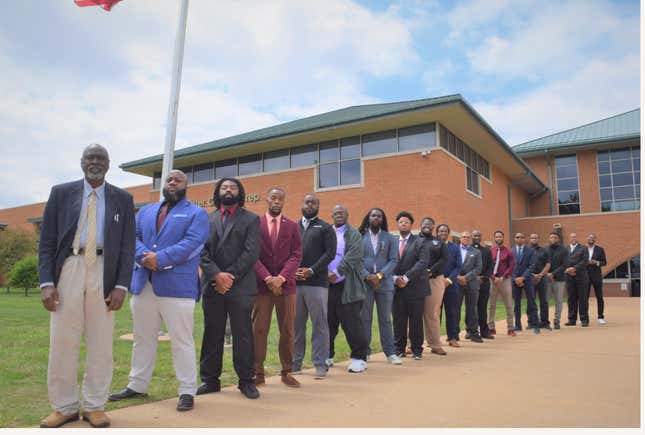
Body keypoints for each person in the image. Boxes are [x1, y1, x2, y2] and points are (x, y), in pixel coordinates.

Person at [38, 144, 135, 428]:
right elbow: (45, 242)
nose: (95, 162)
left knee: (101, 343)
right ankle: (64, 406)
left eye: (101, 158)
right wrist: (46, 282)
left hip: (104, 273)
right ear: (82, 162)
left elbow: (128, 247)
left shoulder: (123, 199)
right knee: (62, 341)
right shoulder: (61, 193)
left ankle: (94, 406)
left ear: (108, 163)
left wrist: (121, 285)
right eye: (90, 157)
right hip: (69, 267)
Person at [109, 170, 209, 411]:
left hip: (177, 287)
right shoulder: (145, 211)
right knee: (142, 339)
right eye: (169, 180)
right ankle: (138, 385)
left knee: (181, 341)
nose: (173, 182)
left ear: (186, 186)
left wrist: (160, 258)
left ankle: (187, 390)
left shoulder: (197, 213)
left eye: (178, 180)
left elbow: (192, 243)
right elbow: (132, 237)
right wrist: (145, 257)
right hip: (144, 284)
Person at [198, 178, 261, 399]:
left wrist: (229, 276)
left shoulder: (251, 219)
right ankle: (210, 380)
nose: (228, 190)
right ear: (218, 192)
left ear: (239, 192)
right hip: (213, 285)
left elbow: (251, 252)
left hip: (241, 286)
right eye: (224, 187)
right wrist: (216, 275)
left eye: (233, 187)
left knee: (243, 334)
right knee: (212, 333)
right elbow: (201, 251)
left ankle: (246, 381)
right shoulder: (206, 219)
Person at [252, 187, 302, 388]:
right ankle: (258, 372)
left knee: (288, 330)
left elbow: (297, 254)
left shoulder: (291, 226)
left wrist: (281, 278)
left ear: (284, 202)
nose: (277, 201)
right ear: (266, 199)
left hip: (286, 287)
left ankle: (287, 372)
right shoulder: (255, 224)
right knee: (259, 329)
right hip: (261, 287)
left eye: (280, 199)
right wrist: (267, 278)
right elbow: (251, 254)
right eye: (273, 197)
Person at [293, 194, 336, 379]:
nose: (310, 205)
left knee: (319, 324)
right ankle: (295, 364)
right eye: (307, 202)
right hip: (295, 284)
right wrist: (292, 271)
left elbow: (330, 253)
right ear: (302, 204)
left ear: (318, 206)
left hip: (316, 283)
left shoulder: (325, 228)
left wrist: (311, 270)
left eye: (314, 203)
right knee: (296, 326)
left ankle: (320, 364)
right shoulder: (293, 227)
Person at [326, 205, 369, 373]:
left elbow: (354, 254)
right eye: (335, 213)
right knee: (328, 323)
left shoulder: (354, 234)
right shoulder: (326, 231)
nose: (338, 215)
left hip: (348, 286)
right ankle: (327, 355)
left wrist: (337, 272)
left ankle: (359, 358)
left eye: (341, 213)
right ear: (331, 215)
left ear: (347, 215)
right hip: (327, 285)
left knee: (352, 323)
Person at [357, 208, 401, 365]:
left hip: (385, 284)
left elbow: (394, 260)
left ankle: (390, 353)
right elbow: (356, 259)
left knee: (385, 319)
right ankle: (365, 352)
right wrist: (366, 276)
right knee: (365, 319)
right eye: (373, 215)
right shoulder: (359, 237)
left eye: (379, 216)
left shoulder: (390, 238)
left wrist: (380, 276)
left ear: (383, 220)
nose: (376, 218)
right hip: (365, 284)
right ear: (368, 218)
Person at [391, 212, 429, 360]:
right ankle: (399, 349)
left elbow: (422, 262)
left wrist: (406, 277)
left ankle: (417, 349)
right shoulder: (392, 242)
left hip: (415, 288)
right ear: (398, 224)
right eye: (401, 222)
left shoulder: (420, 242)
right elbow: (388, 262)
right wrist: (395, 278)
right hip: (397, 289)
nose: (403, 224)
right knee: (398, 320)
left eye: (406, 222)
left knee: (415, 320)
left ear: (411, 225)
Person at [419, 217, 448, 355]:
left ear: (433, 227)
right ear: (420, 225)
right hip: (416, 280)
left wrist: (431, 271)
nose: (427, 226)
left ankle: (435, 344)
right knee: (412, 312)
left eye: (430, 225)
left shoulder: (439, 242)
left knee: (432, 313)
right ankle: (409, 344)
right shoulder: (414, 240)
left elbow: (444, 260)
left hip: (434, 279)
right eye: (425, 224)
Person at [437, 224, 462, 347]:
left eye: (445, 231)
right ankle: (436, 339)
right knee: (436, 313)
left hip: (451, 285)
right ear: (437, 233)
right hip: (436, 283)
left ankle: (452, 337)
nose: (443, 233)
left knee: (451, 312)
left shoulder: (455, 248)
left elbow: (458, 266)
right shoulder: (433, 246)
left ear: (448, 233)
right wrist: (439, 279)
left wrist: (449, 280)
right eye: (440, 231)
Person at [456, 232, 483, 343]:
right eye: (463, 237)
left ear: (470, 239)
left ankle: (473, 332)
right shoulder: (454, 250)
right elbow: (450, 265)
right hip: (456, 283)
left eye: (468, 237)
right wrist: (457, 277)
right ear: (460, 239)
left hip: (471, 283)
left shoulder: (476, 252)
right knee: (455, 308)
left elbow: (478, 268)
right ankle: (454, 334)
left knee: (472, 308)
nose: (466, 238)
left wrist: (466, 278)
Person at [488, 230, 516, 336]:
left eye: (500, 236)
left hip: (505, 280)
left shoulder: (509, 252)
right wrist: (493, 277)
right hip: (493, 280)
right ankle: (491, 327)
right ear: (494, 238)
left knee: (508, 305)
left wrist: (502, 277)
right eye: (496, 237)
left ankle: (510, 328)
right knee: (491, 305)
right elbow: (488, 266)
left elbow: (511, 266)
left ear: (503, 238)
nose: (498, 238)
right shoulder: (491, 251)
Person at [511, 233, 539, 334]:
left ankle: (536, 325)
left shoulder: (530, 251)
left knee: (531, 302)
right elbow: (510, 266)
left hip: (527, 280)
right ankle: (518, 325)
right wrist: (515, 278)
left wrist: (522, 277)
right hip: (515, 281)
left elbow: (531, 266)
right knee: (516, 304)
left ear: (524, 239)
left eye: (522, 237)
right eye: (517, 237)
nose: (519, 239)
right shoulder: (511, 251)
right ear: (515, 239)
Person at [472, 230, 494, 339]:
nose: (476, 237)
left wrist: (483, 277)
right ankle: (471, 330)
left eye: (478, 235)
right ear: (472, 236)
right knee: (471, 308)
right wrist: (474, 277)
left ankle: (484, 331)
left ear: (481, 237)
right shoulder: (467, 250)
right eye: (475, 235)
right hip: (470, 282)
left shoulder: (486, 251)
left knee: (482, 307)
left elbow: (491, 266)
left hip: (484, 282)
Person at [565, 233, 590, 327]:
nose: (573, 238)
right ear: (569, 238)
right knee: (571, 298)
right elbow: (563, 261)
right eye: (571, 237)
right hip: (569, 277)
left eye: (575, 237)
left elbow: (585, 261)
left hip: (581, 277)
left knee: (583, 298)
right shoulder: (565, 249)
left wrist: (574, 268)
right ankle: (572, 319)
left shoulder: (583, 248)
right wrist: (568, 270)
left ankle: (584, 319)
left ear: (577, 238)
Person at [529, 233, 551, 330]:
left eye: (536, 238)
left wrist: (540, 275)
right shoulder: (527, 251)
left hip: (542, 278)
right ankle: (532, 322)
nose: (534, 239)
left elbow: (548, 264)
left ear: (538, 239)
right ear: (530, 239)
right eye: (532, 238)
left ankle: (545, 322)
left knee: (544, 301)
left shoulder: (544, 251)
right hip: (530, 278)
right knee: (531, 301)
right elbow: (524, 265)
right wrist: (532, 275)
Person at [546, 232, 568, 329]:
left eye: (555, 237)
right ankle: (544, 321)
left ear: (558, 239)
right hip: (546, 279)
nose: (553, 239)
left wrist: (553, 274)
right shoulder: (545, 249)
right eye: (551, 237)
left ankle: (557, 320)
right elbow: (542, 263)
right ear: (549, 238)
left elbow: (565, 264)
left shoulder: (564, 250)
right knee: (544, 301)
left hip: (559, 279)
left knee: (558, 301)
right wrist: (547, 274)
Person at [586, 234, 607, 324]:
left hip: (597, 276)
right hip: (585, 276)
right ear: (587, 239)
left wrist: (597, 262)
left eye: (592, 238)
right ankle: (584, 317)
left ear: (595, 239)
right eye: (589, 238)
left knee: (599, 297)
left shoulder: (600, 249)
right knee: (584, 298)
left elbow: (604, 262)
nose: (591, 239)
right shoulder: (583, 249)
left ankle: (600, 317)